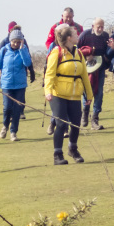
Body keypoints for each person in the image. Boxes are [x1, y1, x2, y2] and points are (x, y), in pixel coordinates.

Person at [44, 24, 93, 165]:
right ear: (69, 38)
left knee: (76, 124)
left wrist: (89, 95)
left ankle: (73, 149)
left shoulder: (79, 53)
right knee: (60, 124)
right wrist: (48, 92)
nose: (78, 36)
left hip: (75, 95)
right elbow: (49, 75)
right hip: (58, 94)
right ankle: (57, 154)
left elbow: (84, 75)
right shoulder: (56, 53)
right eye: (75, 34)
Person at [0, 29, 32, 142]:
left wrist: (22, 50)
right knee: (7, 108)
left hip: (20, 85)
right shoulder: (4, 50)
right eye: (14, 42)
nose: (16, 44)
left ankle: (13, 132)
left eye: (19, 42)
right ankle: (5, 126)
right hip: (7, 85)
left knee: (17, 109)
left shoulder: (23, 49)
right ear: (10, 40)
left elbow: (27, 63)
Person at [45, 7, 83, 135]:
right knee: (59, 103)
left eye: (70, 17)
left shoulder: (78, 27)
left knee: (67, 104)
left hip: (73, 76)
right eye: (66, 16)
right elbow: (48, 45)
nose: (68, 19)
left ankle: (62, 127)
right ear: (62, 15)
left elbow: (80, 44)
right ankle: (55, 123)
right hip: (58, 75)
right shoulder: (55, 28)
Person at [77, 17, 109, 130]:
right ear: (93, 26)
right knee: (86, 91)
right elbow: (76, 49)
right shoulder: (84, 35)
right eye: (98, 26)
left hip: (100, 69)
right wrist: (86, 56)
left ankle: (95, 119)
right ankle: (85, 114)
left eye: (102, 26)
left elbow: (108, 51)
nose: (100, 29)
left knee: (99, 93)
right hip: (87, 69)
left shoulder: (105, 36)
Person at [0, 22, 35, 118]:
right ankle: (10, 114)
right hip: (8, 74)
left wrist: (31, 70)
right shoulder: (4, 43)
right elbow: (1, 61)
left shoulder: (23, 41)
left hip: (21, 72)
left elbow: (28, 56)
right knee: (9, 97)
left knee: (20, 95)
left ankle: (21, 112)